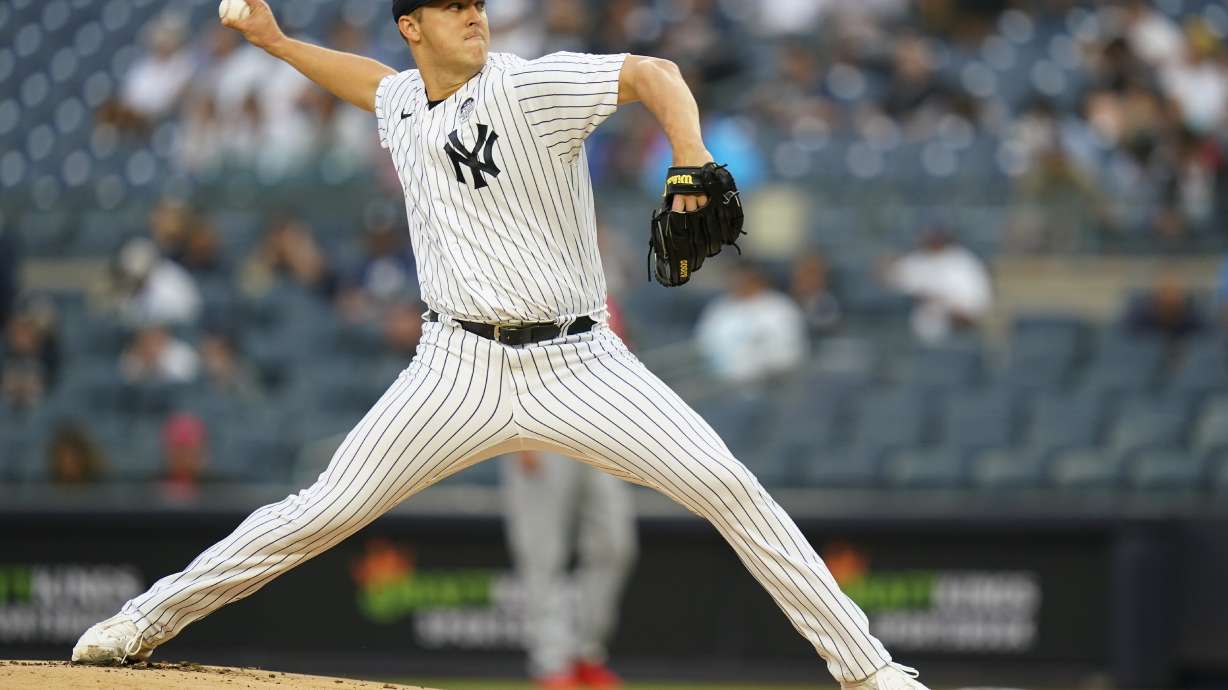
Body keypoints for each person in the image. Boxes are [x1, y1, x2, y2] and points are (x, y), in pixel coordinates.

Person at [73, 3, 927, 689]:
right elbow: (365, 82)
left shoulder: (529, 88)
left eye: (477, 3)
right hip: (456, 368)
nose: (474, 15)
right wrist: (276, 41)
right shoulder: (403, 99)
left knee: (730, 488)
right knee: (319, 511)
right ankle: (142, 622)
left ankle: (871, 672)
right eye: (452, 7)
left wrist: (691, 153)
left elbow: (653, 72)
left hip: (579, 362)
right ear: (412, 27)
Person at [503, 298, 637, 690]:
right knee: (543, 554)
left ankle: (585, 653)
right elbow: (498, 351)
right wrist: (516, 433)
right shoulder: (518, 272)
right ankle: (552, 667)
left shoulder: (595, 275)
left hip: (597, 427)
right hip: (538, 424)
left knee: (615, 544)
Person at [695, 262, 809, 385]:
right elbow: (705, 345)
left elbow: (793, 349)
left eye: (746, 280)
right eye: (736, 280)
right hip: (728, 384)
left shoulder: (781, 306)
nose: (740, 284)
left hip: (777, 382)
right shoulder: (718, 309)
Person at [883, 229, 992, 344]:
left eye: (936, 238)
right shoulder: (920, 259)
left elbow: (976, 309)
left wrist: (945, 305)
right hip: (919, 328)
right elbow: (890, 275)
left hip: (953, 333)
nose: (932, 241)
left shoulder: (962, 262)